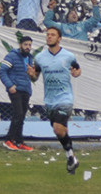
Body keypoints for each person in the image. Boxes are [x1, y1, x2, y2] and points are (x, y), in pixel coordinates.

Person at [30, 27, 82, 174]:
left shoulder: (68, 56)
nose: (49, 37)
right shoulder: (40, 57)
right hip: (50, 100)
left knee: (58, 129)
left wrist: (76, 73)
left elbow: (77, 69)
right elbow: (35, 76)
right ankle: (71, 158)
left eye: (52, 35)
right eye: (47, 35)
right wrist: (31, 75)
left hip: (65, 97)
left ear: (59, 38)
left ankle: (71, 158)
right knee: (62, 131)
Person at [0, 35, 35, 151]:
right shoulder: (12, 56)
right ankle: (8, 140)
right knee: (18, 114)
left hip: (26, 89)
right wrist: (10, 85)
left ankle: (19, 141)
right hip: (16, 89)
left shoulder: (30, 58)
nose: (28, 47)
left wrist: (31, 74)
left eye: (29, 45)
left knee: (22, 116)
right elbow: (2, 71)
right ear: (20, 45)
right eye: (25, 45)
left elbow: (31, 75)